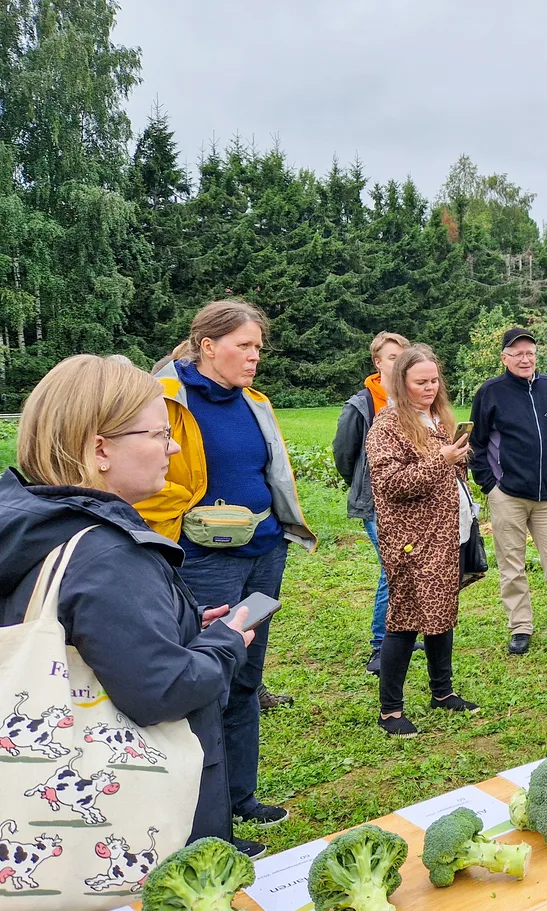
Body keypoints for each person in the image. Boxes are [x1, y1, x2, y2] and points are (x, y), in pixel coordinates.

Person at [0, 356, 260, 855]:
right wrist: (223, 645)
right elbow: (161, 690)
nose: (174, 446)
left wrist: (178, 626)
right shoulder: (108, 553)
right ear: (101, 448)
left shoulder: (30, 522)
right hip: (125, 822)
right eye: (159, 434)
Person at [138, 300, 315, 833]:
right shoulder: (164, 398)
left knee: (244, 677)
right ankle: (205, 820)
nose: (255, 356)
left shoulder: (254, 402)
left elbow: (273, 472)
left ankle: (241, 797)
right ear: (208, 345)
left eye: (258, 347)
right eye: (245, 345)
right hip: (203, 560)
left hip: (264, 553)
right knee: (206, 681)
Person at [366, 345, 480, 736]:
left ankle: (442, 693)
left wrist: (459, 455)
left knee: (441, 612)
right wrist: (442, 461)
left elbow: (448, 469)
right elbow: (390, 484)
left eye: (434, 380)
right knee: (405, 620)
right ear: (402, 383)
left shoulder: (435, 418)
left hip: (445, 535)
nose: (430, 388)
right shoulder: (388, 425)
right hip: (411, 541)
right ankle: (390, 711)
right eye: (421, 382)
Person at [469, 327, 547, 655]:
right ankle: (520, 627)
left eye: (530, 353)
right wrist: (489, 486)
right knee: (512, 563)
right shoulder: (491, 392)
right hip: (507, 494)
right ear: (504, 358)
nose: (525, 359)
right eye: (518, 354)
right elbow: (476, 444)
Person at [333, 331, 409, 675]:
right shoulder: (362, 404)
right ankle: (381, 645)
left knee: (405, 569)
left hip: (409, 500)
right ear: (378, 362)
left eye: (403, 357)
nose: (399, 363)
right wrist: (364, 487)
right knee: (391, 570)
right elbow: (344, 454)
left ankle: (401, 633)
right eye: (392, 358)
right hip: (377, 504)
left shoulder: (414, 398)